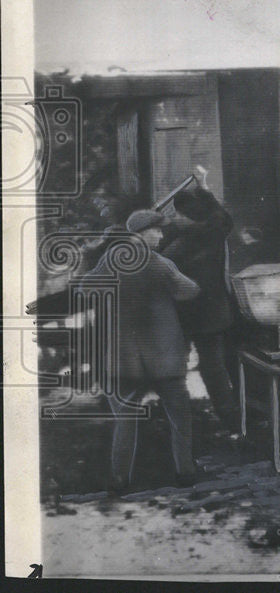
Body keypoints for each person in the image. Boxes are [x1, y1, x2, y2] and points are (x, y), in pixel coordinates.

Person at [96, 209, 201, 492]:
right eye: (156, 230)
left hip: (124, 359)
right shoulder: (159, 264)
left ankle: (119, 480)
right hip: (163, 357)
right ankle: (186, 473)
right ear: (140, 233)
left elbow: (85, 290)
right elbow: (190, 291)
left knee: (125, 420)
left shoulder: (109, 260)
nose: (162, 235)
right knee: (179, 415)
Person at [160, 184, 240, 434]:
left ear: (191, 218)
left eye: (179, 214)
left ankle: (180, 421)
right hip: (213, 313)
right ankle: (231, 420)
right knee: (213, 368)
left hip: (188, 315)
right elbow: (223, 216)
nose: (174, 217)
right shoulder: (215, 231)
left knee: (181, 368)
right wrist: (207, 192)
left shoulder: (179, 246)